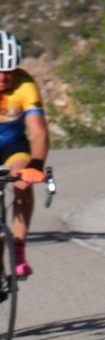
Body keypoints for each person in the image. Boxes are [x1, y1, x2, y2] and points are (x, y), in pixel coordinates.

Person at [0, 30, 49, 279]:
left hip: (13, 146)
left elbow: (38, 132)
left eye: (9, 71)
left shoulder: (25, 85)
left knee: (22, 183)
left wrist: (36, 166)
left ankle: (18, 249)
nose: (3, 77)